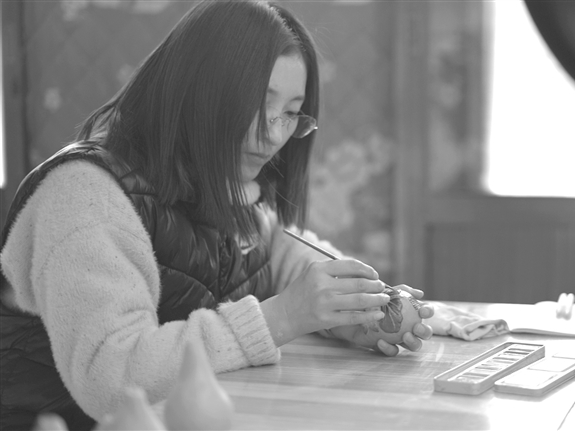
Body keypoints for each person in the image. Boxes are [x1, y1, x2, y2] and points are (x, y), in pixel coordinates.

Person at [0, 1, 433, 430]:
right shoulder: (84, 194)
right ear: (196, 89)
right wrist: (284, 317)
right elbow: (113, 380)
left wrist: (345, 315)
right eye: (256, 105)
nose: (274, 135)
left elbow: (281, 255)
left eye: (289, 114)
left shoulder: (226, 183)